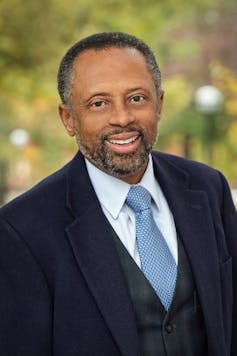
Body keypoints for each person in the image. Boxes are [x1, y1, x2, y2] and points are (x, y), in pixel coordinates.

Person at [0, 32, 236, 356]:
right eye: (99, 103)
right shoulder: (21, 229)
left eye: (137, 98)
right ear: (68, 119)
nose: (122, 118)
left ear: (159, 103)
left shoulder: (209, 189)